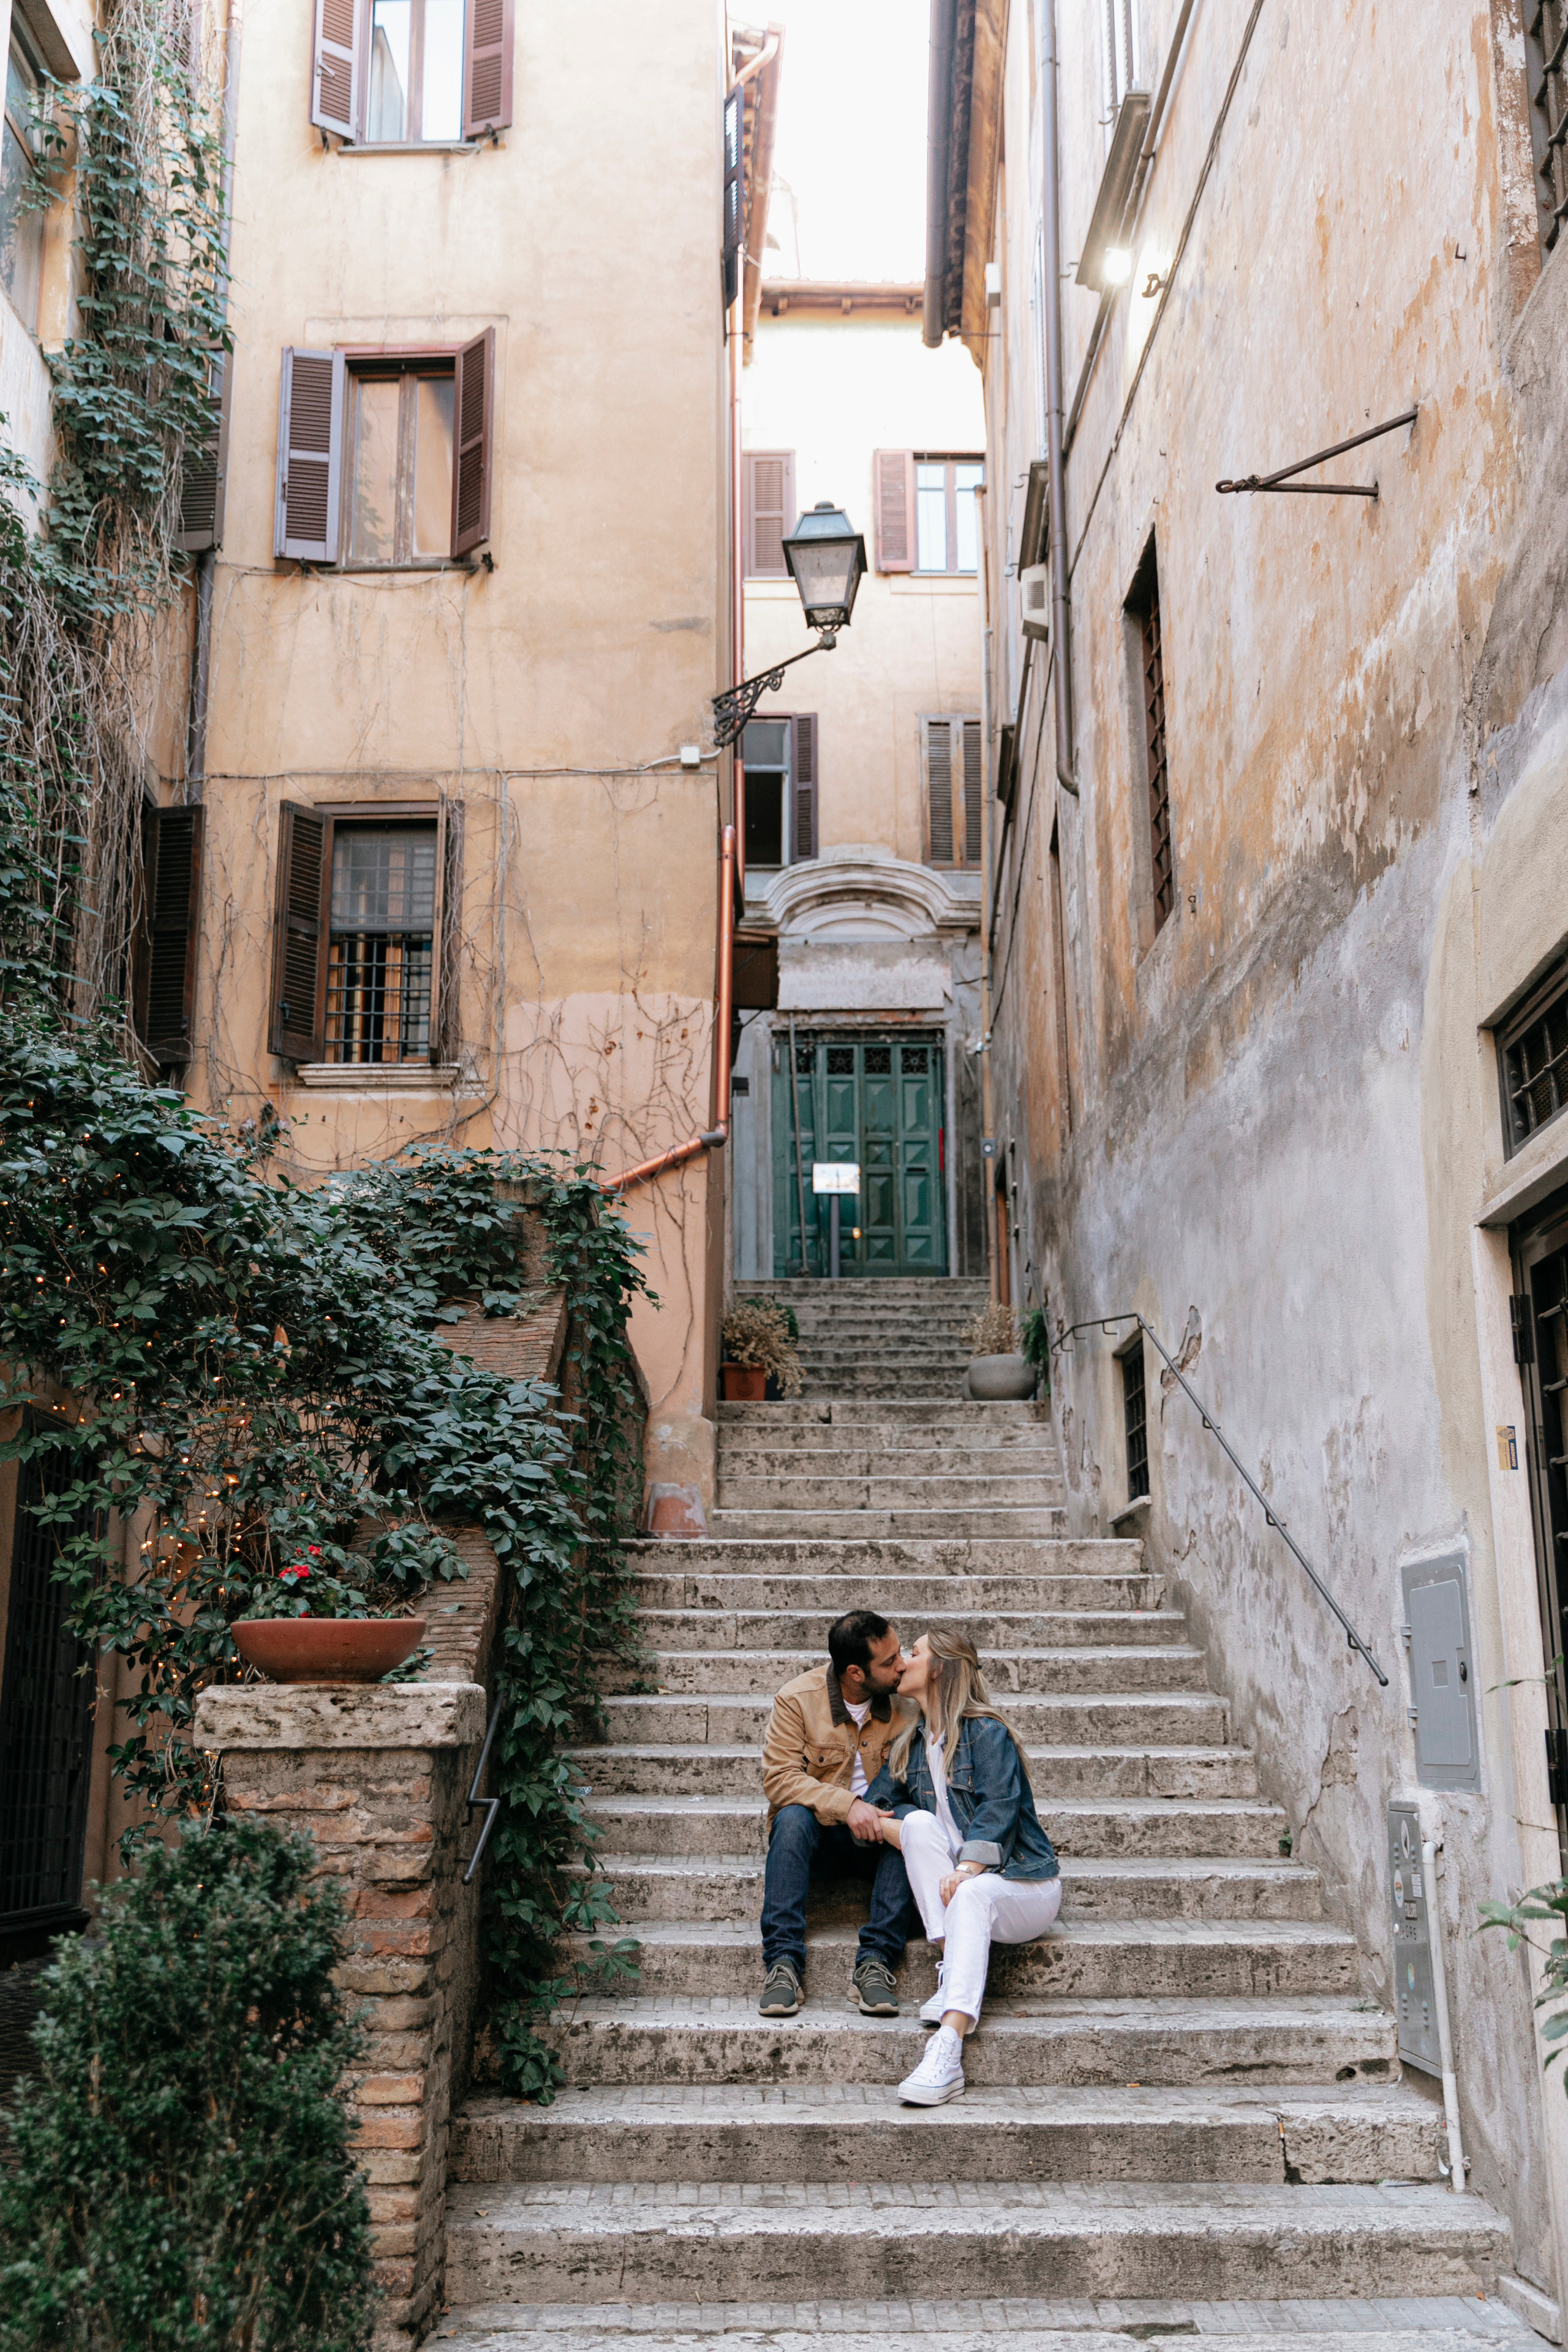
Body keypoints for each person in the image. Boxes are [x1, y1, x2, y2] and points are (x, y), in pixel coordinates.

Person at [864, 1626, 1061, 2105]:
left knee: (970, 1890)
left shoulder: (986, 1733)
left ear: (939, 1668)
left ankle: (948, 2048)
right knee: (915, 1825)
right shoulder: (913, 1745)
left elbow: (999, 1812)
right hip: (967, 1889)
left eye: (914, 1653)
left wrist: (969, 1868)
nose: (903, 1661)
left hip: (1022, 1884)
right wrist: (889, 1821)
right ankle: (953, 1963)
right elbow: (877, 1806)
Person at [758, 1608, 922, 2018]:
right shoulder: (797, 1699)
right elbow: (779, 1779)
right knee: (792, 1816)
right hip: (821, 1840)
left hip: (882, 1837)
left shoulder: (908, 1704)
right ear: (854, 1672)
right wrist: (848, 1806)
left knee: (910, 1818)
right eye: (889, 1662)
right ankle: (783, 1963)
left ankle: (875, 1962)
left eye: (900, 1652)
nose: (902, 1665)